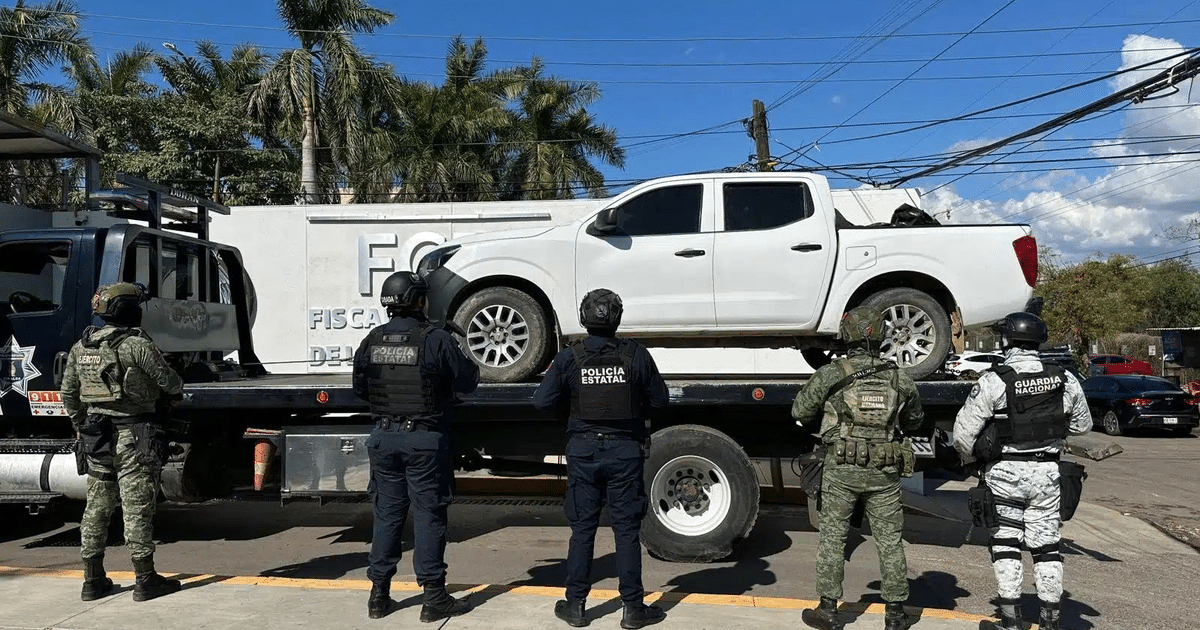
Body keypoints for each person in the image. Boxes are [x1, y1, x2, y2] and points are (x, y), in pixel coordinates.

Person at [533, 288, 668, 630]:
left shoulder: (570, 358)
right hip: (625, 452)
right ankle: (633, 608)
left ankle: (576, 605)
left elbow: (542, 401)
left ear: (583, 318)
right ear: (618, 318)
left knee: (582, 530)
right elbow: (661, 400)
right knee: (626, 532)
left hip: (584, 452)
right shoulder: (636, 356)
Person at [353, 271, 480, 622]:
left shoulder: (373, 339)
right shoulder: (435, 339)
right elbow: (468, 381)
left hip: (383, 437)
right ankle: (434, 597)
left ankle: (378, 595)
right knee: (428, 515)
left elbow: (360, 388)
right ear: (419, 301)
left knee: (387, 515)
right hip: (423, 439)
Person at [952, 312, 1092, 630]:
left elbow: (963, 435)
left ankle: (1011, 620)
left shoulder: (994, 380)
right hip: (1047, 473)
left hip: (1004, 472)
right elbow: (1083, 426)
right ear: (1038, 342)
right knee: (1046, 547)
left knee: (1006, 544)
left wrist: (972, 460)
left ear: (1007, 341)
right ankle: (1051, 621)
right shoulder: (1064, 379)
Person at [791, 306, 924, 630]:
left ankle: (828, 611)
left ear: (846, 336)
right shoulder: (898, 376)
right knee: (890, 540)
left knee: (833, 538)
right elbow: (915, 420)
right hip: (884, 471)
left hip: (841, 469)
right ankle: (894, 615)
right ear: (880, 335)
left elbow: (800, 409)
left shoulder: (832, 374)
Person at [60, 282, 184, 603]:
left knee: (96, 508)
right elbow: (169, 382)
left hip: (96, 434)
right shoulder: (135, 345)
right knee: (136, 507)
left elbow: (69, 394)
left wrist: (79, 427)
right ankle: (145, 579)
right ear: (126, 311)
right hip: (134, 435)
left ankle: (92, 580)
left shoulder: (81, 346)